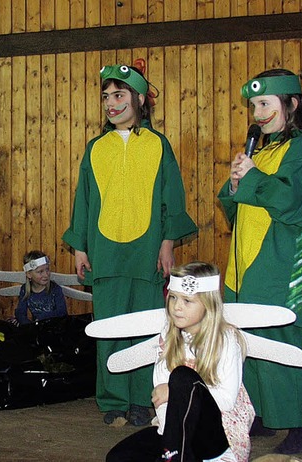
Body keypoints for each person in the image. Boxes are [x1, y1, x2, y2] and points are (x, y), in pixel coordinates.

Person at [62, 64, 197, 427]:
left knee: (147, 327)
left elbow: (172, 197)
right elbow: (84, 201)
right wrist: (80, 247)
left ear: (139, 99)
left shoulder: (158, 145)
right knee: (109, 326)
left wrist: (167, 243)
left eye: (119, 95)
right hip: (105, 252)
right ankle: (113, 401)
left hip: (147, 251)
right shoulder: (96, 148)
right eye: (106, 97)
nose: (111, 103)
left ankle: (143, 398)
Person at [218, 68, 302, 454]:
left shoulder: (300, 151)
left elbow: (293, 202)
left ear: (292, 104)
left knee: (282, 338)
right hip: (248, 263)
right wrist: (233, 187)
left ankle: (298, 425)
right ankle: (262, 414)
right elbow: (238, 208)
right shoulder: (262, 151)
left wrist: (250, 179)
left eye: (265, 103)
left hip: (282, 264)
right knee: (249, 340)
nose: (258, 113)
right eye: (254, 105)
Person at [106, 262, 254, 462]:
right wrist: (170, 436)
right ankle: (174, 454)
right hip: (173, 433)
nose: (176, 306)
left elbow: (226, 401)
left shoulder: (225, 339)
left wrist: (174, 392)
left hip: (216, 435)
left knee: (183, 377)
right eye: (173, 297)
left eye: (187, 300)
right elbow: (160, 395)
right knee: (117, 458)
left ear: (208, 304)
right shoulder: (169, 335)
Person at [12, 250, 67, 325]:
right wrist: (29, 326)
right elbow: (20, 312)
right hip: (36, 328)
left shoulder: (55, 289)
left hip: (55, 328)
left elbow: (62, 312)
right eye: (40, 272)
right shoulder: (25, 290)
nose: (46, 274)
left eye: (47, 269)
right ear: (29, 274)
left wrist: (42, 318)